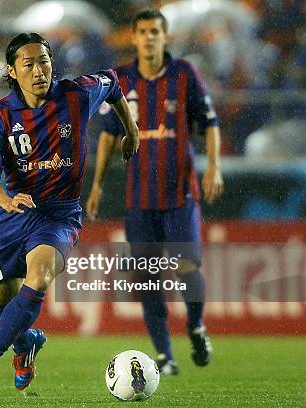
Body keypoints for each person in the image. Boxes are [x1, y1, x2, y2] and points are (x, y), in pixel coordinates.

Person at [0, 32, 139, 390]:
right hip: (15, 213)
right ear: (11, 71)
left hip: (58, 215)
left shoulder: (76, 94)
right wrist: (5, 200)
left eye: (44, 61)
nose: (39, 71)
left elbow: (113, 83)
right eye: (29, 64)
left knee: (38, 277)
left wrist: (130, 130)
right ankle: (26, 345)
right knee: (1, 297)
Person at [86, 8, 223, 375]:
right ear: (134, 37)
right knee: (147, 278)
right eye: (143, 31)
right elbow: (108, 135)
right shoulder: (120, 80)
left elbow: (209, 122)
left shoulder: (184, 74)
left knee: (187, 265)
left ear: (166, 37)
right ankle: (164, 356)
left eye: (155, 32)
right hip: (139, 199)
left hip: (180, 194)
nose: (149, 37)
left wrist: (213, 165)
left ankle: (195, 325)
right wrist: (96, 184)